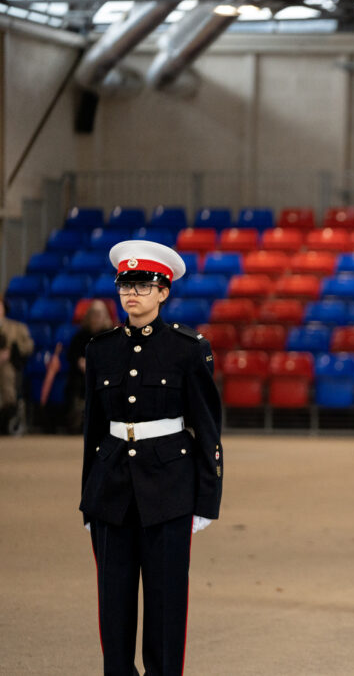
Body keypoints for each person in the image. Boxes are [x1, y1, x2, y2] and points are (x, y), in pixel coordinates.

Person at [80, 240, 223, 675]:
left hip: (170, 490)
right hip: (112, 490)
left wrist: (207, 500)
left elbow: (207, 428)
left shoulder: (187, 348)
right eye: (125, 284)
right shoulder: (100, 349)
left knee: (165, 603)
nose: (132, 294)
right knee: (114, 603)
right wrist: (88, 496)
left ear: (164, 292)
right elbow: (93, 430)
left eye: (143, 285)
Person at [67, 299, 116, 434]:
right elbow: (72, 355)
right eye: (93, 313)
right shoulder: (80, 336)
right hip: (82, 377)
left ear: (105, 315)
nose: (96, 317)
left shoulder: (112, 335)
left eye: (100, 313)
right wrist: (79, 361)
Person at [0, 296, 34, 434]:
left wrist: (11, 352)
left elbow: (28, 345)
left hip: (10, 365)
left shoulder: (17, 327)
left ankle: (9, 409)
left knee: (7, 373)